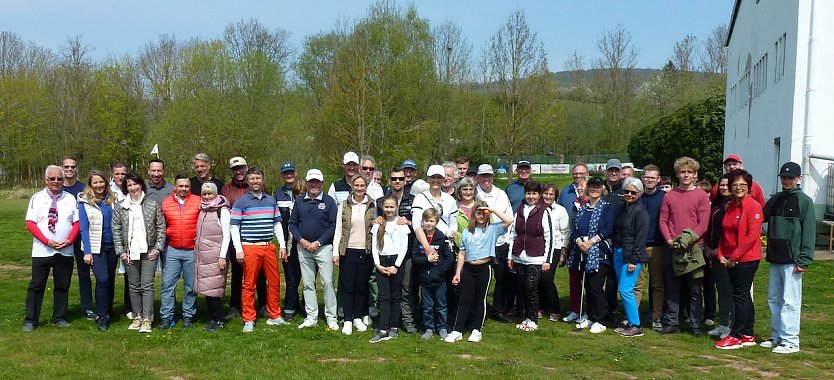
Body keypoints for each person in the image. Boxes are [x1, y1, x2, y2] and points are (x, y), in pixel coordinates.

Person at [761, 162, 815, 354]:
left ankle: (791, 341)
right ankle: (777, 336)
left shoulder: (805, 201)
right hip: (775, 256)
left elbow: (809, 232)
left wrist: (804, 259)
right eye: (784, 177)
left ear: (799, 179)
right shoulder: (776, 198)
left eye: (790, 177)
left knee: (790, 300)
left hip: (793, 260)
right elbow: (761, 215)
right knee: (773, 299)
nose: (786, 180)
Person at [230, 167, 290, 333]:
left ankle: (275, 315)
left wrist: (283, 245)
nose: (255, 181)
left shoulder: (270, 200)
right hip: (250, 247)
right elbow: (234, 227)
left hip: (268, 246)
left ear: (262, 180)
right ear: (247, 181)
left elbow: (277, 224)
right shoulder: (241, 202)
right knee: (249, 284)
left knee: (274, 282)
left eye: (258, 178)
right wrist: (238, 249)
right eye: (252, 179)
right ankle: (248, 318)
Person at [444, 201, 513, 343]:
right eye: (478, 213)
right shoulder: (467, 232)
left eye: (484, 213)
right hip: (468, 268)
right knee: (464, 299)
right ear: (474, 214)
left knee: (480, 299)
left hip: (484, 268)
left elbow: (509, 220)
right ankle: (457, 330)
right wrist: (457, 273)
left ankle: (477, 329)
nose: (481, 216)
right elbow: (462, 254)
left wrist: (492, 209)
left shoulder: (493, 229)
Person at [23, 165, 80, 331]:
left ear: (63, 180)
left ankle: (59, 317)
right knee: (37, 286)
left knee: (62, 286)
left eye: (59, 179)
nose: (56, 181)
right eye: (52, 178)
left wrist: (69, 240)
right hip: (42, 250)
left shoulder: (70, 199)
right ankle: (31, 320)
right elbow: (30, 224)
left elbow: (76, 223)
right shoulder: (37, 198)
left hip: (65, 250)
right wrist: (47, 241)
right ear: (46, 180)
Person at [714, 169, 763, 349]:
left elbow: (751, 236)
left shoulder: (753, 206)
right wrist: (720, 254)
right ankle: (748, 334)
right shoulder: (730, 206)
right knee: (742, 296)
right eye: (735, 185)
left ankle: (736, 335)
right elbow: (724, 232)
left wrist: (734, 257)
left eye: (742, 185)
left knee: (740, 296)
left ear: (749, 187)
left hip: (746, 259)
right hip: (728, 258)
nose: (738, 188)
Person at [112, 173, 166, 333]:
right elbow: (116, 230)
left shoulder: (152, 204)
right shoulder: (121, 206)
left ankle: (148, 319)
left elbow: (161, 227)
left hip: (148, 251)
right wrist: (121, 252)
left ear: (141, 185)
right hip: (129, 252)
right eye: (129, 185)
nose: (133, 188)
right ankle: (137, 317)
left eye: (135, 184)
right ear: (125, 188)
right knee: (134, 286)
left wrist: (157, 248)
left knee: (147, 285)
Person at [562, 177, 615, 334]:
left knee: (595, 286)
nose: (594, 189)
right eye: (592, 186)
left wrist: (591, 242)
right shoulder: (583, 208)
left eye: (597, 187)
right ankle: (590, 316)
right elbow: (576, 228)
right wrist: (580, 243)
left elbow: (608, 229)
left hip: (599, 252)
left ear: (602, 189)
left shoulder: (607, 207)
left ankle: (600, 319)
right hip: (583, 252)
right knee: (587, 285)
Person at [411, 165, 459, 332]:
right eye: (433, 177)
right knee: (425, 289)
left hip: (444, 246)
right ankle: (427, 325)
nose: (436, 181)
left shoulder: (449, 199)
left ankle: (444, 324)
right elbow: (417, 225)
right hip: (426, 246)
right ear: (428, 178)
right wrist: (427, 247)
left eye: (439, 177)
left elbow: (453, 222)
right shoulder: (420, 199)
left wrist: (452, 232)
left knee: (444, 289)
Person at [290, 169, 339, 331]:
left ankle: (331, 317)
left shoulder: (329, 201)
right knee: (308, 284)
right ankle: (311, 317)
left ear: (322, 183)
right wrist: (302, 241)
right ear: (307, 182)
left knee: (328, 282)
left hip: (323, 248)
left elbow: (333, 226)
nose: (314, 184)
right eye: (311, 181)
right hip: (303, 248)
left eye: (317, 181)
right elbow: (292, 224)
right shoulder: (299, 201)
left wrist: (318, 242)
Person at [508, 181, 557, 332]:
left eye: (534, 193)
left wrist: (547, 260)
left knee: (531, 287)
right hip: (519, 256)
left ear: (539, 195)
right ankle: (526, 317)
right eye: (528, 193)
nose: (531, 196)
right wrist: (510, 256)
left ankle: (533, 318)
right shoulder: (520, 209)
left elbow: (550, 237)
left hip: (536, 257)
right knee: (522, 288)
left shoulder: (545, 211)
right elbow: (514, 234)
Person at [222, 156, 267, 320]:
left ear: (246, 168)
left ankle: (263, 305)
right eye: (235, 169)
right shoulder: (227, 189)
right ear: (232, 171)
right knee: (237, 273)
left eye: (241, 168)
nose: (238, 171)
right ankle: (235, 306)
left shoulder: (257, 186)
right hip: (236, 237)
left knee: (260, 272)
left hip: (256, 235)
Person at [333, 174, 376, 335]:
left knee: (361, 286)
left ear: (366, 187)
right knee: (348, 287)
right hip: (348, 250)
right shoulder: (344, 205)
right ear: (352, 186)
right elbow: (338, 229)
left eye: (362, 186)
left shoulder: (371, 205)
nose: (359, 188)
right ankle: (348, 320)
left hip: (365, 251)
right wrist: (336, 252)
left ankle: (358, 317)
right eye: (356, 185)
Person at [159, 173, 202, 329]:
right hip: (172, 249)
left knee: (191, 285)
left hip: (192, 250)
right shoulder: (165, 203)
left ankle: (188, 315)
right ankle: (166, 316)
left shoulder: (198, 201)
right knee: (167, 284)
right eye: (180, 186)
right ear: (175, 187)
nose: (184, 189)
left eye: (186, 186)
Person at [473, 164, 515, 323]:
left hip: (500, 242)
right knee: (479, 277)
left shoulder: (501, 194)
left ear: (493, 177)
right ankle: (477, 308)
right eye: (482, 176)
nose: (486, 179)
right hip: (481, 242)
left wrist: (508, 241)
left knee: (502, 278)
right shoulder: (474, 194)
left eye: (488, 176)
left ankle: (498, 310)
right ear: (477, 177)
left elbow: (509, 217)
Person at [368, 194, 412, 343]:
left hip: (396, 262)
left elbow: (404, 247)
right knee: (384, 296)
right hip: (382, 261)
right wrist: (377, 265)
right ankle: (383, 327)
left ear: (396, 207)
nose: (389, 209)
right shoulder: (378, 223)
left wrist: (396, 266)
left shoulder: (401, 224)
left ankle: (394, 326)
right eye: (386, 207)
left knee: (396, 296)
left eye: (392, 207)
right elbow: (374, 246)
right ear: (382, 207)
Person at [78, 170, 117, 331]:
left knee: (110, 280)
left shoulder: (113, 199)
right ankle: (101, 316)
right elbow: (83, 228)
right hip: (96, 248)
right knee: (102, 280)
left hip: (112, 246)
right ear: (90, 184)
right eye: (95, 182)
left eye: (101, 182)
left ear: (106, 183)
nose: (99, 185)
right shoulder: (84, 202)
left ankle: (107, 311)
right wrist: (87, 251)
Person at [612, 178, 649, 337]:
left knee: (626, 289)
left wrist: (633, 260)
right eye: (626, 191)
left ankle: (636, 325)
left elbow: (640, 239)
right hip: (619, 253)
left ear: (640, 194)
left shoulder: (641, 212)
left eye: (633, 192)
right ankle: (629, 322)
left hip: (632, 257)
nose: (629, 194)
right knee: (624, 289)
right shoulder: (623, 208)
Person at [194, 183, 231, 331]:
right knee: (208, 290)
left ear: (216, 194)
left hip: (216, 255)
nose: (207, 197)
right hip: (203, 256)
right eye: (205, 194)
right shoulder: (203, 209)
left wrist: (222, 256)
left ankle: (219, 319)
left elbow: (227, 236)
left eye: (210, 194)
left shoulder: (222, 211)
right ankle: (212, 318)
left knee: (215, 290)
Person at [413, 208, 453, 340]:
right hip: (424, 279)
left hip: (439, 279)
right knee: (427, 306)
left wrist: (439, 271)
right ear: (422, 222)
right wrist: (426, 260)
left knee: (441, 305)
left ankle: (442, 327)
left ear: (436, 222)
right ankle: (429, 328)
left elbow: (449, 259)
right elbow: (414, 258)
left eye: (432, 221)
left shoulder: (442, 238)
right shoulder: (419, 239)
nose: (429, 224)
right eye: (426, 221)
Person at [62, 156, 93, 320]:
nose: (69, 170)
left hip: (82, 238)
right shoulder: (58, 188)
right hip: (63, 239)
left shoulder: (84, 188)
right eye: (66, 167)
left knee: (84, 274)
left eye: (72, 167)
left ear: (76, 169)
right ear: (62, 168)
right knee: (63, 275)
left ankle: (87, 307)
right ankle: (61, 310)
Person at [705, 173, 734, 339]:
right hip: (713, 252)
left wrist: (719, 250)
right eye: (722, 185)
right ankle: (723, 323)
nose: (724, 188)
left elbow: (728, 231)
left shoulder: (733, 205)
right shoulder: (716, 204)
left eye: (727, 185)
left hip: (725, 254)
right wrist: (708, 247)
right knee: (721, 290)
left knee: (730, 290)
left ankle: (733, 324)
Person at [274, 161, 303, 321]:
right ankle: (290, 308)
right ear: (283, 175)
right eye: (286, 173)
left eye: (291, 172)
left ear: (295, 173)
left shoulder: (304, 190)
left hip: (304, 241)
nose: (289, 175)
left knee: (308, 278)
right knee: (291, 278)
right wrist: (282, 244)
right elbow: (277, 220)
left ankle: (306, 307)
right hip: (287, 243)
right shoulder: (278, 194)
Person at [639, 164, 666, 331]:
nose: (649, 180)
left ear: (658, 179)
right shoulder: (637, 196)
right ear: (643, 178)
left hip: (658, 246)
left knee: (657, 284)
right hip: (639, 246)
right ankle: (633, 316)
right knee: (636, 284)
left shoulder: (665, 197)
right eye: (647, 177)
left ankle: (656, 316)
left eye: (653, 177)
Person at [540, 183, 570, 321]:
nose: (548, 196)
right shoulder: (537, 208)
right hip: (539, 247)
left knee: (547, 279)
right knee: (539, 279)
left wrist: (564, 252)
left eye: (551, 194)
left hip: (556, 247)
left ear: (555, 196)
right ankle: (542, 307)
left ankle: (555, 308)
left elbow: (566, 232)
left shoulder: (560, 210)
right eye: (545, 193)